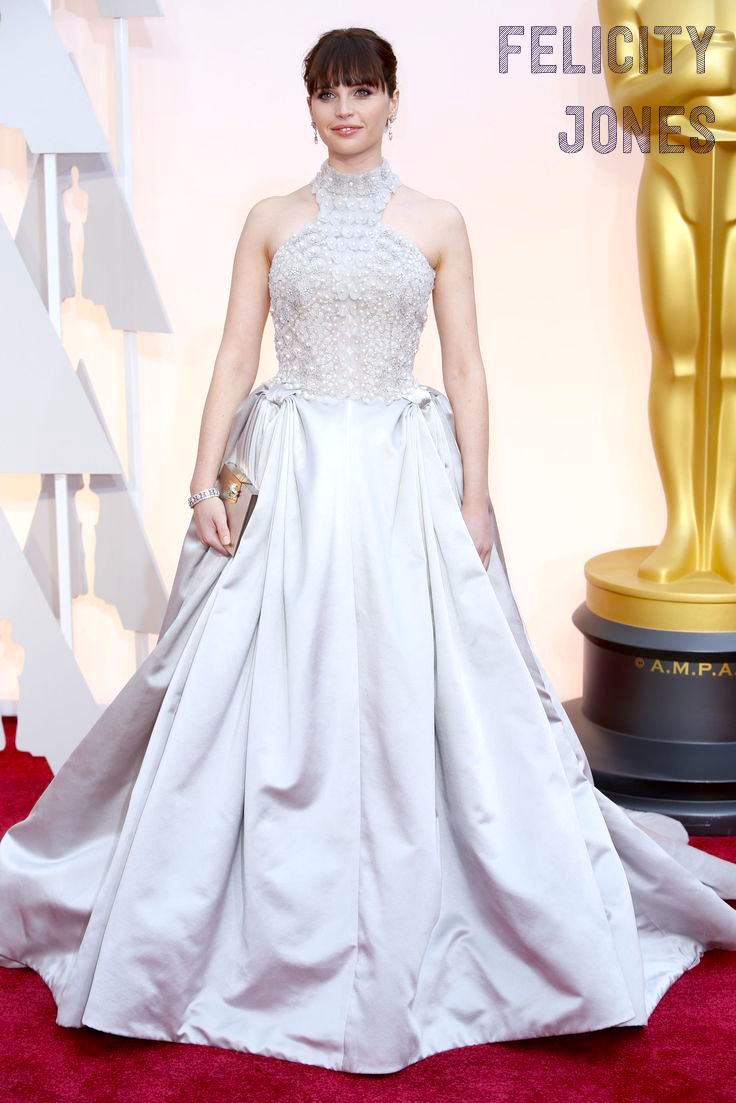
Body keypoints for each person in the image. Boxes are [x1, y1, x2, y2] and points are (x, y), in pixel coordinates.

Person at [1, 26, 735, 1077]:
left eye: (362, 90)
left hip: (401, 477)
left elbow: (467, 367)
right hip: (289, 468)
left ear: (393, 99)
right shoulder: (271, 219)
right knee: (243, 683)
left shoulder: (439, 221)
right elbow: (235, 356)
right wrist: (204, 483)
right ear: (309, 106)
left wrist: (475, 499)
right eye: (328, 92)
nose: (345, 108)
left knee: (420, 689)